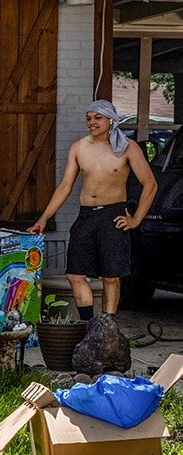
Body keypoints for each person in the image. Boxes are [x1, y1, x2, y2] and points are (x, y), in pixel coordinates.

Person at [27, 99, 157, 318]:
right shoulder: (79, 147)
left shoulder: (127, 147)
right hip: (86, 215)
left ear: (110, 119)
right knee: (74, 274)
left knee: (110, 277)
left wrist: (135, 219)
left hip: (113, 215)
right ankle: (89, 326)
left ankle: (107, 326)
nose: (91, 123)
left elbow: (150, 183)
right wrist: (43, 218)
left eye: (97, 118)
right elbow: (65, 186)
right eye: (88, 118)